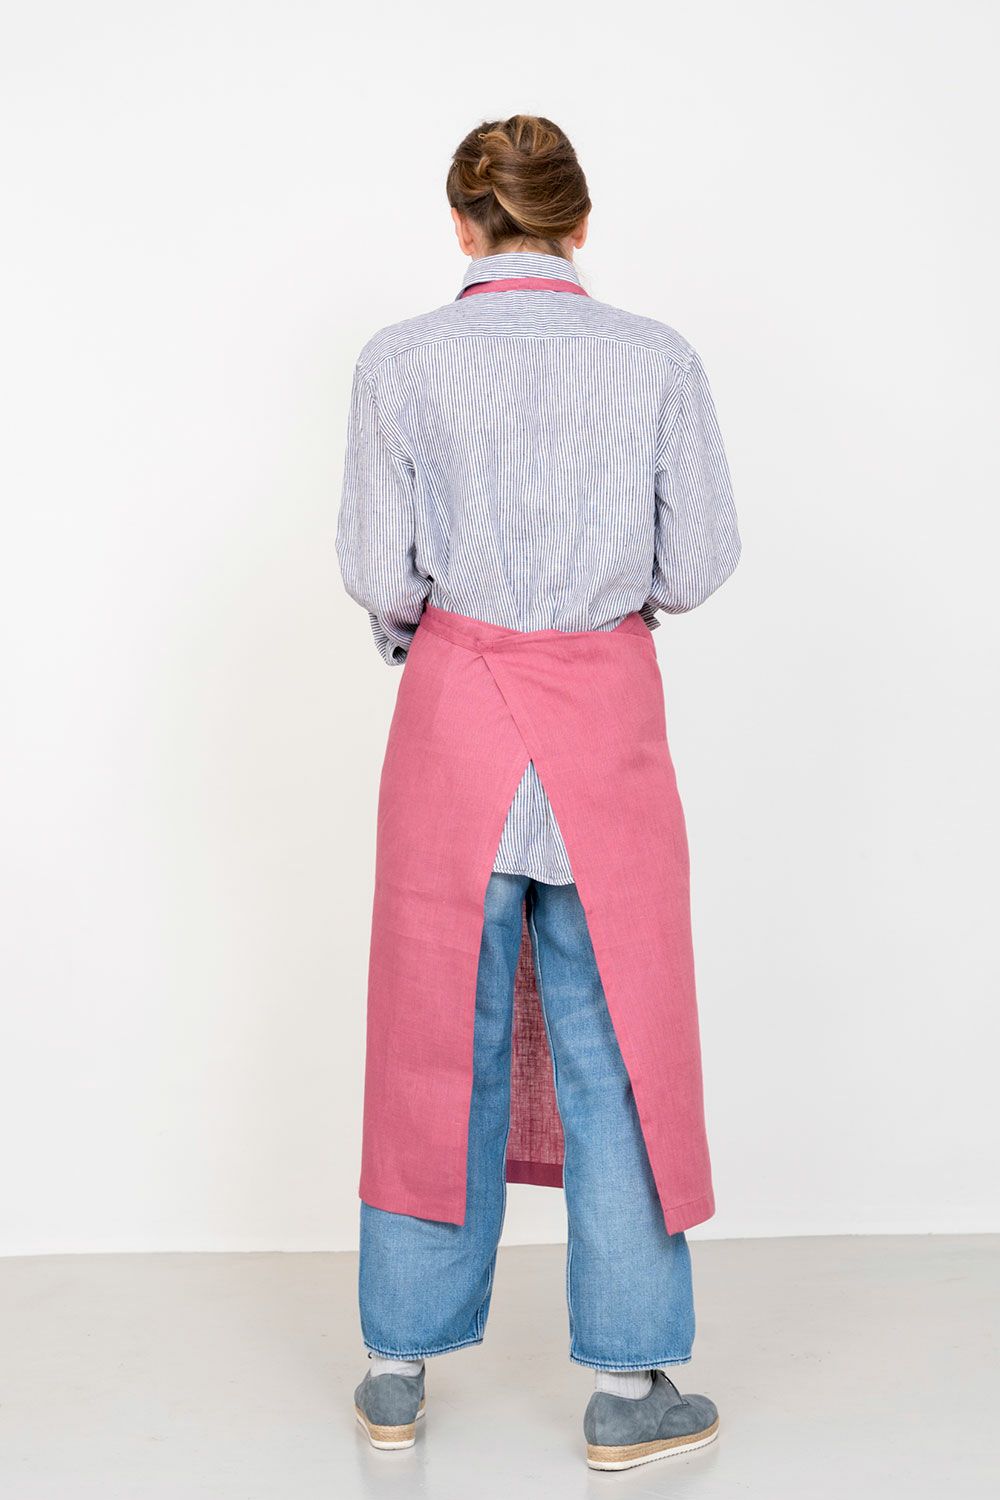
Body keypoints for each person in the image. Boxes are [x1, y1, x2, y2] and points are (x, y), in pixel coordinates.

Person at [335, 113, 740, 1472]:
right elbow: (697, 564)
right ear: (580, 220)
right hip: (604, 718)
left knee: (429, 1029)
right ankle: (628, 1384)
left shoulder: (401, 360)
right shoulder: (657, 358)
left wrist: (453, 625)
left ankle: (395, 1372)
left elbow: (377, 569)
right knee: (620, 1035)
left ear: (463, 223)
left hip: (454, 714)